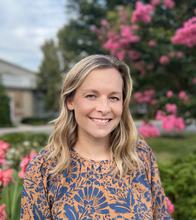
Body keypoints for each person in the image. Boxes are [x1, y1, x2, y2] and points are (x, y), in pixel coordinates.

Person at [20, 55, 171, 219]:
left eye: (113, 98)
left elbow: (162, 216)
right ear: (70, 100)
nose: (104, 108)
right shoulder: (44, 168)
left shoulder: (140, 156)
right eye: (91, 95)